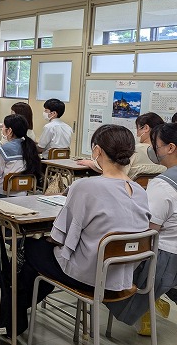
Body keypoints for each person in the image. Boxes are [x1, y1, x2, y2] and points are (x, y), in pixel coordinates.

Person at [18, 124, 151, 334]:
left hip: (90, 277)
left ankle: (13, 316)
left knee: (31, 247)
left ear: (97, 151)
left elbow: (58, 237)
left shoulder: (85, 187)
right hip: (123, 278)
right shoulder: (140, 190)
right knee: (40, 258)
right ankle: (17, 311)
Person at [107, 123, 177, 334]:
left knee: (101, 266)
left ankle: (147, 301)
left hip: (162, 259)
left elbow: (146, 230)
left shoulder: (163, 184)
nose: (154, 151)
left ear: (170, 148)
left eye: (156, 146)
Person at [77, 112, 166, 179]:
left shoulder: (134, 150)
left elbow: (115, 171)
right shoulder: (164, 152)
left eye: (138, 129)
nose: (137, 133)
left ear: (146, 128)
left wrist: (90, 163)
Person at [0, 114, 42, 197]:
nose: (2, 129)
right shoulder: (30, 147)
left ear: (9, 131)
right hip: (23, 194)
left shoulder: (1, 150)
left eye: (3, 127)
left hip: (1, 194)